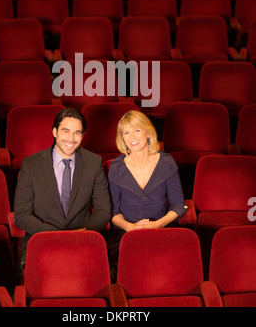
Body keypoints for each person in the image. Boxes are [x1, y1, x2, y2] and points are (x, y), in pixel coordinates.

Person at [14, 107, 112, 265]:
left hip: (83, 241)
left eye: (77, 133)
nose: (71, 138)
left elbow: (104, 210)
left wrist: (81, 234)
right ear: (55, 132)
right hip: (43, 242)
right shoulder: (31, 165)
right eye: (66, 131)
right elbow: (22, 215)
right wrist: (57, 236)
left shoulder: (93, 163)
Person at [107, 110, 187, 280]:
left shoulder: (166, 162)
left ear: (148, 133)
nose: (132, 137)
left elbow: (178, 205)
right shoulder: (116, 167)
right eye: (126, 132)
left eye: (137, 130)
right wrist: (131, 227)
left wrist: (157, 225)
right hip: (126, 233)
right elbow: (113, 212)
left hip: (161, 228)